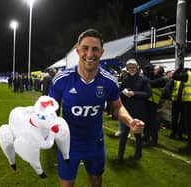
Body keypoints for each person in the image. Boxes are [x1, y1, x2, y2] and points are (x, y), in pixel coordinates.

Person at [49, 28, 144, 187]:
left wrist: (130, 121)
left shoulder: (109, 81)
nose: (90, 54)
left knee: (96, 183)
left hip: (95, 144)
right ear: (78, 50)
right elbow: (50, 109)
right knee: (66, 185)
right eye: (85, 48)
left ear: (102, 52)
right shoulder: (62, 79)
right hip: (68, 144)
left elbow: (117, 106)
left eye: (95, 49)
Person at [117, 59, 151, 161]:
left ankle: (138, 154)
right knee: (123, 134)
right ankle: (120, 156)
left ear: (137, 68)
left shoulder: (144, 79)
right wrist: (123, 93)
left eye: (133, 67)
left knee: (137, 135)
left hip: (138, 111)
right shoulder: (125, 79)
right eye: (129, 67)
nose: (131, 69)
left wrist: (134, 94)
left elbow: (148, 94)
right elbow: (119, 93)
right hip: (126, 111)